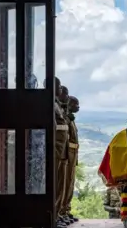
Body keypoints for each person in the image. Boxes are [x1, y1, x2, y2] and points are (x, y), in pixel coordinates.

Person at [53, 77, 70, 228]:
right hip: (56, 149)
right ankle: (54, 214)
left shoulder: (58, 106)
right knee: (56, 182)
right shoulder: (51, 105)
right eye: (59, 87)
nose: (60, 90)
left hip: (62, 149)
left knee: (61, 185)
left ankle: (58, 213)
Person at [61, 96, 80, 224]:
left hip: (73, 153)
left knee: (70, 184)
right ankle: (61, 212)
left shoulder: (70, 119)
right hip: (67, 153)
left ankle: (66, 210)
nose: (78, 107)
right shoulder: (65, 117)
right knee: (65, 183)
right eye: (76, 104)